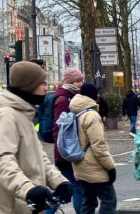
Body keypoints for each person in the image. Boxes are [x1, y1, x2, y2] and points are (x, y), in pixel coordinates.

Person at [0, 61, 72, 214]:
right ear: (28, 86)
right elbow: (2, 160)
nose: (46, 88)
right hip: (8, 208)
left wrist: (59, 182)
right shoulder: (7, 115)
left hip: (25, 207)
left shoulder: (23, 114)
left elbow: (40, 158)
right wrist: (28, 189)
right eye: (42, 83)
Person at [70, 83, 117, 214]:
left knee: (88, 202)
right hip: (95, 166)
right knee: (109, 200)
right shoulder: (92, 115)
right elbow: (99, 146)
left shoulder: (75, 111)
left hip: (80, 164)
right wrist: (110, 167)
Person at [52, 68, 85, 214]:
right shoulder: (63, 100)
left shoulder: (70, 97)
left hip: (67, 151)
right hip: (67, 152)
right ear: (71, 81)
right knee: (77, 188)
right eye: (78, 81)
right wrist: (63, 150)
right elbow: (59, 129)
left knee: (64, 188)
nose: (81, 83)